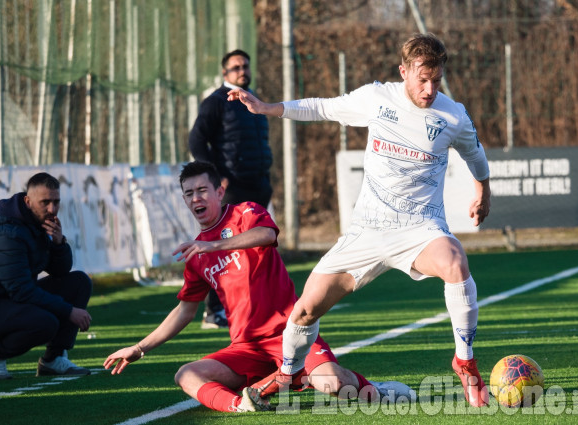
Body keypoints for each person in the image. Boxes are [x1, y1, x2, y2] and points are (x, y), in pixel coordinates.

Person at [227, 33, 491, 407]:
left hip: (419, 231)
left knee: (455, 260)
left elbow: (475, 155)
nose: (430, 89)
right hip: (365, 233)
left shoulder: (452, 116)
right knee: (304, 311)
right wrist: (269, 108)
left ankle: (465, 363)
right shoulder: (377, 98)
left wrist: (484, 191)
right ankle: (289, 373)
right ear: (404, 72)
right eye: (422, 79)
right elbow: (322, 107)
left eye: (436, 80)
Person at [104, 161, 414, 412]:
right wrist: (139, 348)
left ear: (219, 191)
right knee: (186, 374)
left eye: (202, 190)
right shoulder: (196, 256)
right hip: (246, 347)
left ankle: (378, 392)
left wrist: (214, 247)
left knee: (331, 383)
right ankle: (243, 404)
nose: (196, 198)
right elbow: (185, 310)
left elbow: (267, 235)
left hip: (290, 334)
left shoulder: (245, 213)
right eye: (189, 193)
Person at [0, 172, 92, 380]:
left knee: (79, 282)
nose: (52, 209)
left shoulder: (35, 225)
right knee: (45, 323)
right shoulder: (5, 233)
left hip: (13, 302)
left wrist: (59, 244)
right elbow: (21, 290)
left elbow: (60, 272)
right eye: (45, 202)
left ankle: (53, 359)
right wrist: (68, 311)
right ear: (28, 201)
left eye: (56, 202)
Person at [188, 49, 274, 330]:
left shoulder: (254, 101)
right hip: (232, 188)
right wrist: (217, 180)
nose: (242, 71)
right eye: (235, 67)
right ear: (225, 74)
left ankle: (253, 305)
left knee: (258, 249)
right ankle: (214, 311)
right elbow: (197, 141)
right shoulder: (215, 103)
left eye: (245, 66)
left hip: (258, 185)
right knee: (226, 249)